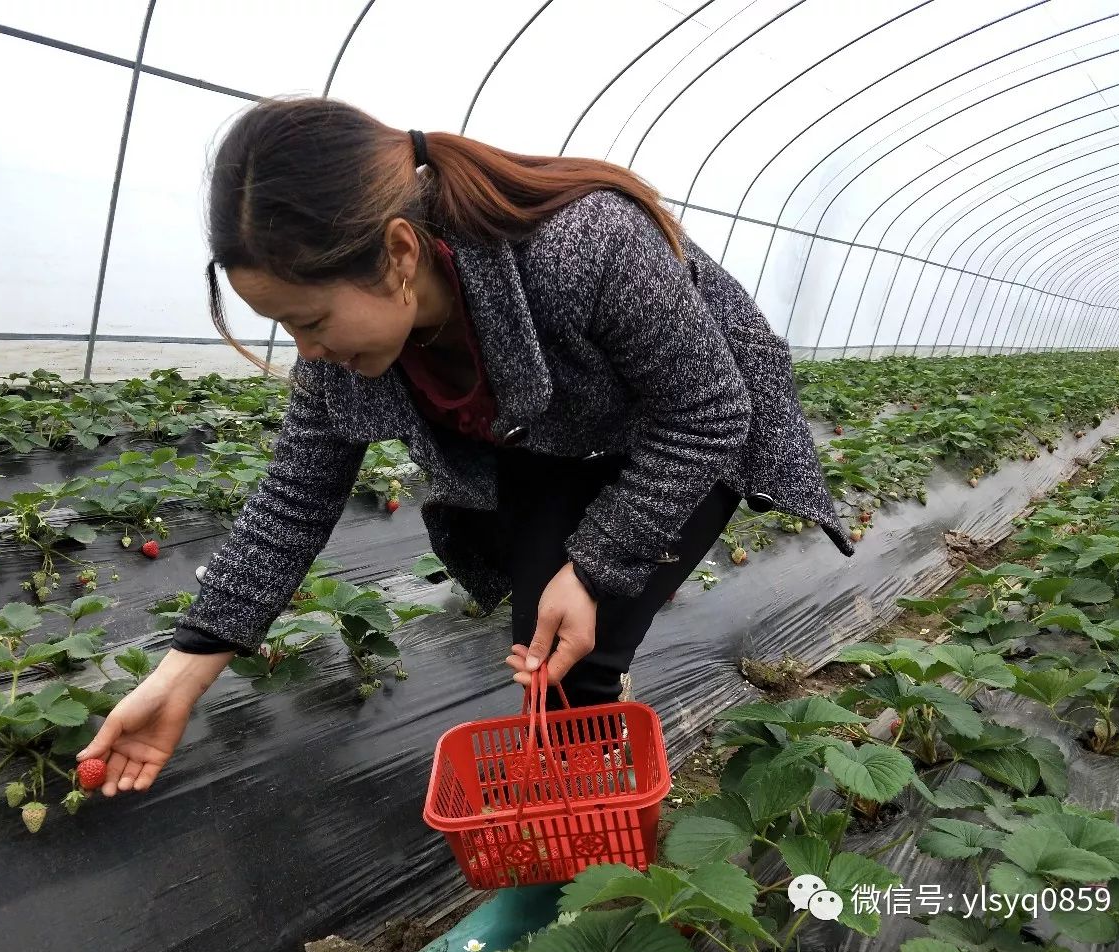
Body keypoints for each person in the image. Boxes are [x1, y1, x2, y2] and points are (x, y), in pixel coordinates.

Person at [76, 96, 852, 806]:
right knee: (545, 652)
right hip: (557, 443)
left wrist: (593, 567)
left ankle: (599, 862)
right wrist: (182, 672)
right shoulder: (336, 365)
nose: (305, 351)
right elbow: (291, 502)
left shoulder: (581, 244)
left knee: (581, 649)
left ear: (400, 252)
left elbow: (706, 411)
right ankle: (578, 814)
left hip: (688, 427)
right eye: (284, 327)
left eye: (311, 320)